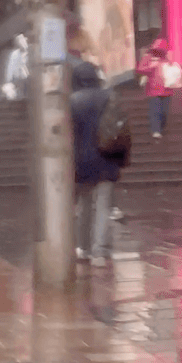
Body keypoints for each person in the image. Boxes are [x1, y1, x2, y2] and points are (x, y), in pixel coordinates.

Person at [71, 60, 126, 265]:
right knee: (104, 205)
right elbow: (121, 127)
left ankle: (83, 248)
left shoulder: (72, 101)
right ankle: (100, 251)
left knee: (84, 205)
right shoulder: (110, 96)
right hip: (107, 157)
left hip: (82, 160)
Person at [137, 39, 179, 139]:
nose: (159, 51)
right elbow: (140, 69)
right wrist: (151, 66)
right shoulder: (148, 57)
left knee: (164, 112)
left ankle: (161, 128)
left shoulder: (167, 57)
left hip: (166, 89)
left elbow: (173, 70)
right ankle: (156, 130)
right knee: (155, 110)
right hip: (153, 90)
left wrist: (170, 59)